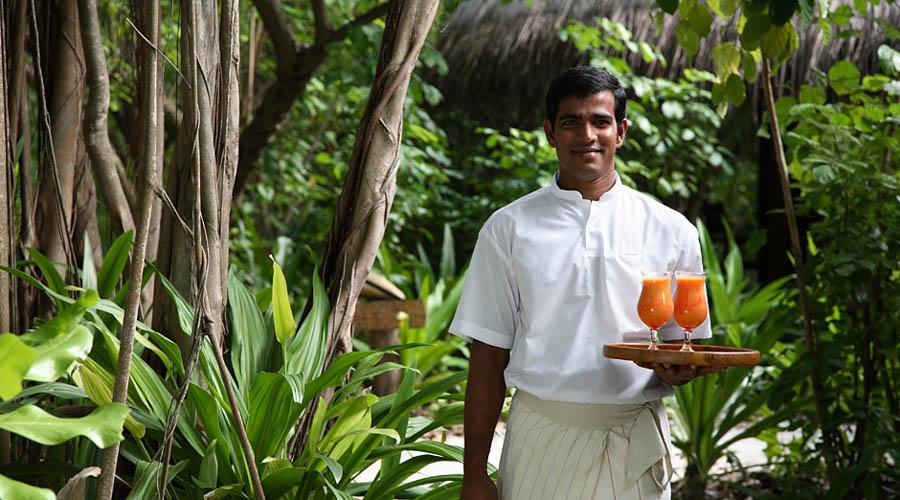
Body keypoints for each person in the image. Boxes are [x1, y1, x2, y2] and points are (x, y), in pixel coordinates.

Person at [450, 66, 722, 500]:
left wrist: (682, 369)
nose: (587, 134)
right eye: (570, 122)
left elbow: (682, 347)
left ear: (621, 132)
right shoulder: (508, 228)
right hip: (541, 437)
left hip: (635, 442)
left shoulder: (671, 230)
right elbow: (487, 357)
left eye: (600, 121)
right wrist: (474, 474)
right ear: (549, 132)